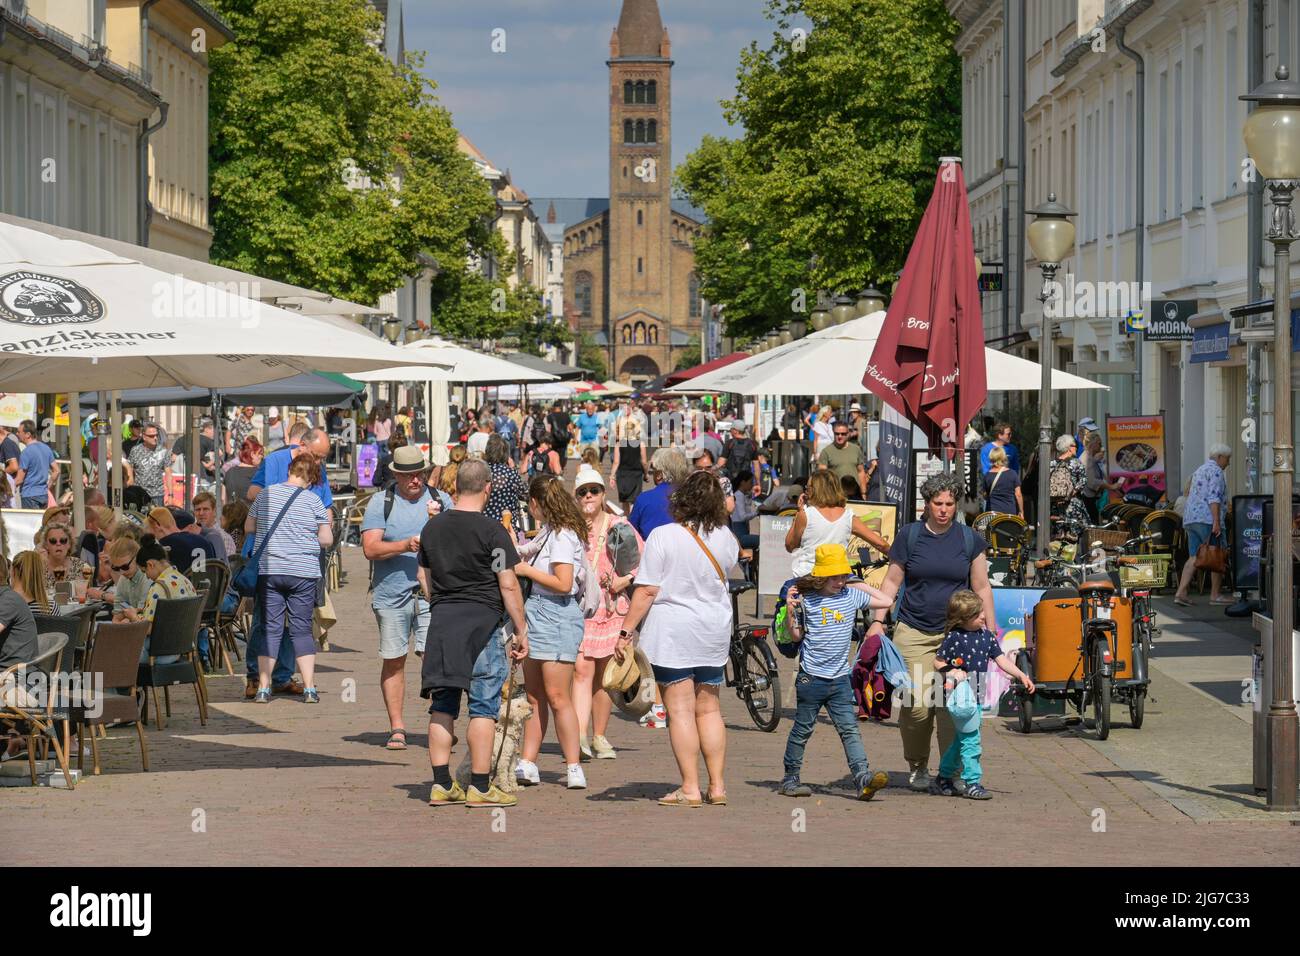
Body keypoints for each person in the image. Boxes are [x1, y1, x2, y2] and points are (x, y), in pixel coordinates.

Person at [864, 473, 995, 792]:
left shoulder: (968, 539)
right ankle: (918, 764)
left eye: (950, 503)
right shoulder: (909, 536)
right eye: (938, 503)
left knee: (954, 708)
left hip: (957, 636)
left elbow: (981, 586)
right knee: (917, 706)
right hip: (913, 631)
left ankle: (952, 772)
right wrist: (878, 621)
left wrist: (989, 631)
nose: (944, 510)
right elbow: (892, 582)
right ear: (927, 503)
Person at [616, 470, 739, 806]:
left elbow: (647, 590)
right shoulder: (726, 537)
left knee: (681, 710)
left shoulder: (663, 536)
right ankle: (717, 787)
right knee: (710, 709)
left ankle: (689, 787)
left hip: (674, 631)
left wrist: (626, 631)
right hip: (713, 629)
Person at [417, 459, 528, 808]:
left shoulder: (432, 529)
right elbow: (508, 584)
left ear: (455, 487)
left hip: (443, 623)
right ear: (487, 487)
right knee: (483, 707)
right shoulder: (492, 531)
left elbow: (424, 576)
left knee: (443, 704)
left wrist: (440, 602)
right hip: (482, 625)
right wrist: (521, 629)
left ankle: (440, 784)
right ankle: (480, 786)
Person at [779, 544, 893, 799]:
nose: (839, 581)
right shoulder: (807, 600)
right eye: (835, 576)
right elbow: (796, 635)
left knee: (849, 729)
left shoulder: (851, 595)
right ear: (820, 576)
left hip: (840, 678)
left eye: (842, 575)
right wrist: (790, 609)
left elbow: (886, 600)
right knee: (803, 729)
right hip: (811, 678)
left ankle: (863, 777)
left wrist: (855, 581)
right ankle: (790, 778)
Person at [513, 474, 590, 790]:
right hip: (537, 612)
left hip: (556, 613)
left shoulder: (562, 536)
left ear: (535, 503)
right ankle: (528, 762)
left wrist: (526, 570)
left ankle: (573, 766)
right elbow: (527, 549)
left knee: (558, 696)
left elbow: (563, 583)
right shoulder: (548, 531)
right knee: (534, 696)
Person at [362, 447, 441, 750]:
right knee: (395, 659)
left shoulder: (439, 500)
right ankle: (397, 727)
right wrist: (405, 545)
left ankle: (439, 722)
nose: (415, 480)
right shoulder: (381, 503)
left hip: (431, 593)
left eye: (419, 473)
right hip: (391, 593)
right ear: (396, 474)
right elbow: (370, 548)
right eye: (408, 474)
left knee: (434, 657)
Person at [245, 454, 333, 704]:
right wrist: (303, 539)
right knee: (301, 630)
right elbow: (326, 539)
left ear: (290, 471)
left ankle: (263, 687)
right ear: (311, 477)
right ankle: (309, 688)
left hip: (270, 570)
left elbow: (248, 527)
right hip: (303, 572)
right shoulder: (314, 501)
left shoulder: (265, 495)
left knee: (270, 629)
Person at [931, 589, 1034, 800]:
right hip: (961, 698)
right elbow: (938, 661)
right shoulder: (954, 637)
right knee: (971, 740)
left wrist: (1021, 675)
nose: (984, 616)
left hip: (977, 696)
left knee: (962, 739)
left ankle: (943, 777)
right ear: (964, 619)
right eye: (978, 615)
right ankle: (972, 782)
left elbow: (1001, 659)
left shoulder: (986, 636)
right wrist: (950, 671)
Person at [572, 466, 642, 761]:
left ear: (603, 495)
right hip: (580, 608)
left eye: (594, 490)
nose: (588, 496)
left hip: (612, 608)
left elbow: (642, 560)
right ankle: (578, 737)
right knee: (581, 671)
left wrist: (622, 581)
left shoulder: (618, 526)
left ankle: (599, 736)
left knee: (605, 676)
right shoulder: (570, 526)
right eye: (582, 492)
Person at [784, 471, 890, 577]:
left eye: (808, 488)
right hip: (837, 578)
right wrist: (899, 559)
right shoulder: (848, 516)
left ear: (816, 490)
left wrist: (799, 512)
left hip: (808, 576)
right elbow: (881, 544)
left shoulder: (806, 515)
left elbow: (790, 546)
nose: (806, 492)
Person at [1175, 444, 1233, 607]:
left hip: (1191, 518)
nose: (1228, 463)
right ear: (1220, 457)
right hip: (1207, 519)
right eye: (1227, 459)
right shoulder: (1216, 471)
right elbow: (1213, 497)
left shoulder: (1199, 470)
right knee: (1216, 555)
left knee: (1194, 556)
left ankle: (1181, 592)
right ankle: (1215, 595)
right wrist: (1216, 521)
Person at [629, 446, 691, 541]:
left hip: (651, 551)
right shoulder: (691, 497)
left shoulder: (644, 499)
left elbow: (631, 533)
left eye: (654, 471)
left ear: (659, 475)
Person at [145, 507, 215, 575]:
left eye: (149, 529)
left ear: (157, 525)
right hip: (212, 586)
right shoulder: (203, 540)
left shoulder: (166, 544)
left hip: (184, 586)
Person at [1048, 434, 1089, 542]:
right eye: (1075, 445)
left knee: (1058, 538)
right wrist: (1072, 493)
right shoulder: (1076, 463)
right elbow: (1083, 480)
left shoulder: (1051, 464)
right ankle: (1072, 558)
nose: (1076, 448)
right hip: (1073, 505)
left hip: (1056, 506)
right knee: (1073, 537)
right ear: (1069, 448)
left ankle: (1057, 558)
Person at [483, 435, 525, 536]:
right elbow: (524, 493)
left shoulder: (481, 471)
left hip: (484, 525)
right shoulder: (511, 473)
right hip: (507, 528)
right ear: (506, 454)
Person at [124, 422, 172, 507]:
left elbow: (168, 473)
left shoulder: (163, 451)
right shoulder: (135, 450)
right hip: (140, 494)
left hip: (157, 494)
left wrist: (170, 495)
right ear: (144, 436)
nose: (155, 438)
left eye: (156, 435)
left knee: (157, 519)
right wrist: (129, 485)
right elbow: (129, 468)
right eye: (151, 436)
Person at [1080, 432, 1123, 525]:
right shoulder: (1087, 459)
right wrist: (1111, 487)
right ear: (1093, 444)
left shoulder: (1090, 458)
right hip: (1088, 500)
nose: (1101, 446)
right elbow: (1092, 482)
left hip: (1091, 499)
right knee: (1093, 526)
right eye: (1099, 443)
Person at [817, 419, 869, 496]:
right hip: (835, 494)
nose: (840, 436)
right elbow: (822, 477)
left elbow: (861, 472)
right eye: (837, 434)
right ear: (833, 434)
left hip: (854, 493)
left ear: (848, 434)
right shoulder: (826, 451)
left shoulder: (856, 449)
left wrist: (863, 493)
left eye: (843, 434)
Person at [15, 419, 57, 510]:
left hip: (29, 496)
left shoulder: (26, 453)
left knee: (30, 523)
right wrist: (48, 486)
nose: (17, 434)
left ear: (28, 434)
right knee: (41, 523)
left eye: (19, 432)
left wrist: (7, 485)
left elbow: (19, 480)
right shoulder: (46, 449)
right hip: (43, 495)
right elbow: (57, 471)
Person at [610, 410, 648, 509]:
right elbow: (644, 462)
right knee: (634, 501)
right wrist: (646, 474)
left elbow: (616, 462)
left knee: (625, 501)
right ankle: (633, 521)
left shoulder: (619, 444)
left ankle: (627, 520)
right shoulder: (640, 443)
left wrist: (612, 476)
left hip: (622, 474)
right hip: (636, 474)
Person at [38, 523, 88, 595]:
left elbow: (84, 594)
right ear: (46, 545)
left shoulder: (80, 566)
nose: (58, 544)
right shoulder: (39, 566)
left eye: (63, 540)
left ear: (69, 544)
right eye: (53, 541)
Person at [982, 447, 1023, 518]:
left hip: (993, 514)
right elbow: (1018, 495)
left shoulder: (987, 476)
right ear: (1003, 457)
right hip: (1009, 513)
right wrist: (1021, 511)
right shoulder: (1012, 474)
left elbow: (985, 495)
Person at [192, 492, 233, 560]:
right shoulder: (190, 535)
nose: (201, 513)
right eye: (198, 509)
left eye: (205, 509)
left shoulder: (225, 538)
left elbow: (226, 569)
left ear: (214, 511)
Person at [224, 436, 263, 505]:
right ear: (252, 454)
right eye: (260, 454)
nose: (261, 457)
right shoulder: (258, 473)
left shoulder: (229, 472)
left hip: (230, 513)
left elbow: (223, 499)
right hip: (250, 514)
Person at [547, 403, 573, 469]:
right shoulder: (565, 415)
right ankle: (561, 468)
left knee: (554, 453)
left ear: (553, 408)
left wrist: (547, 439)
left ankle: (555, 467)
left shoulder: (550, 416)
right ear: (560, 408)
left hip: (554, 439)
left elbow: (549, 429)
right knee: (562, 454)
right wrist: (572, 436)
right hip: (563, 438)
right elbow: (570, 427)